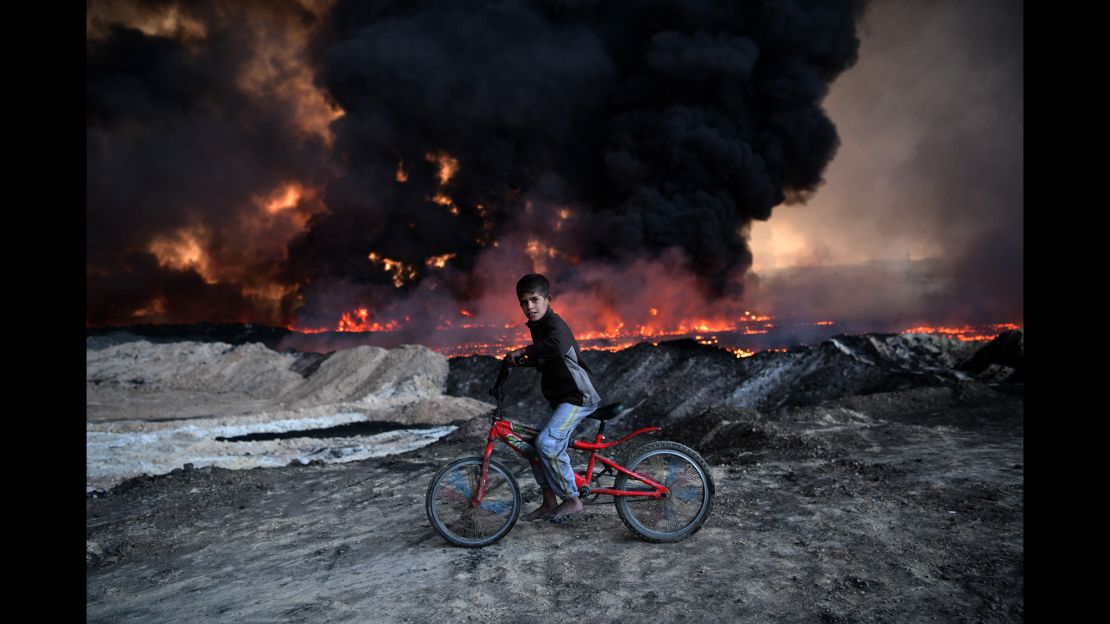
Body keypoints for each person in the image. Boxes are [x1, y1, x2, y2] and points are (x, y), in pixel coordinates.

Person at [506, 273, 602, 524]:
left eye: (535, 300)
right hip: (563, 399)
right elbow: (546, 357)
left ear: (548, 300)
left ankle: (572, 499)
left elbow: (558, 347)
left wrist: (524, 351)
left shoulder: (554, 325)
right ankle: (549, 502)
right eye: (524, 302)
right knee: (533, 447)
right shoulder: (539, 328)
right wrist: (520, 362)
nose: (530, 307)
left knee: (547, 444)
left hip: (578, 397)